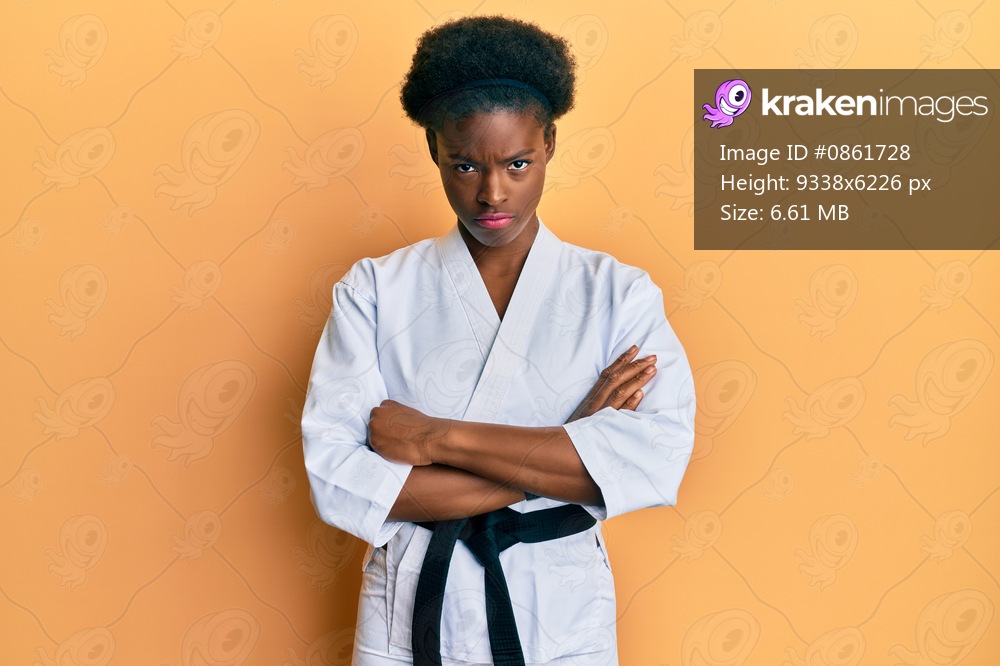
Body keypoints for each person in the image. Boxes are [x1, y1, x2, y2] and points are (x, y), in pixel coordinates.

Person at [301, 15, 695, 666]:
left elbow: (654, 459)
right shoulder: (373, 291)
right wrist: (573, 440)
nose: (492, 193)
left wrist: (435, 439)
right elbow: (340, 481)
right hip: (415, 602)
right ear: (433, 148)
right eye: (464, 165)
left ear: (550, 143)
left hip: (561, 605)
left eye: (518, 163)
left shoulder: (618, 294)